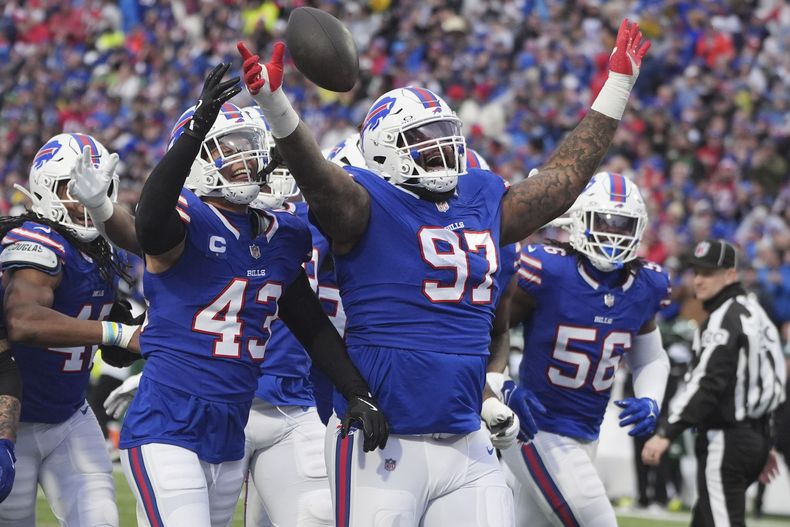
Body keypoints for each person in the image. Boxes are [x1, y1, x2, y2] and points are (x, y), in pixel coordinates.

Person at [237, 17, 650, 526]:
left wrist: (617, 85)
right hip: (382, 436)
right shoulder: (364, 204)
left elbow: (563, 180)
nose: (443, 148)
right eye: (423, 139)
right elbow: (321, 182)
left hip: (466, 439)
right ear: (386, 149)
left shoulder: (479, 197)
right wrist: (277, 107)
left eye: (445, 135)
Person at [85, 63, 386, 526]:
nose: (246, 160)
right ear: (202, 161)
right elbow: (149, 222)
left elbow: (311, 326)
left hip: (230, 427)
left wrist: (356, 391)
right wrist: (197, 127)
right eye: (230, 151)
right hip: (168, 423)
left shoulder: (281, 235)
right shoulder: (186, 223)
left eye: (249, 149)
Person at [496, 172, 671, 526]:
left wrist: (651, 397)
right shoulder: (548, 270)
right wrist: (499, 385)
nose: (613, 233)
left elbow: (650, 356)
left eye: (624, 226)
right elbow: (488, 330)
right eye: (605, 222)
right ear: (579, 220)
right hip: (536, 429)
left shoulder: (647, 284)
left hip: (585, 433)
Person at [0, 133, 141, 525]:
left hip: (69, 417)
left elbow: (82, 303)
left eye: (93, 188)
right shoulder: (36, 241)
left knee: (102, 520)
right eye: (71, 189)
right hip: (16, 421)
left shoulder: (101, 247)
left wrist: (121, 320)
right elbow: (23, 321)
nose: (82, 200)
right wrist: (114, 333)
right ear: (45, 189)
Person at [643, 239, 787, 527]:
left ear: (730, 275)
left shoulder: (725, 318)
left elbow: (707, 383)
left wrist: (666, 432)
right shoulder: (756, 313)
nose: (699, 280)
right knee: (704, 520)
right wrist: (763, 440)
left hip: (728, 440)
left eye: (708, 273)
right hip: (752, 436)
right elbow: (771, 379)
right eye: (696, 272)